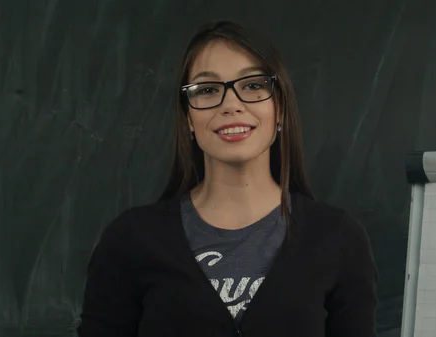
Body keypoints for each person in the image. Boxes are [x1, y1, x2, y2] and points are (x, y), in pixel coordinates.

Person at [78, 20, 378, 337]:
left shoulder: (337, 238)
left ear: (280, 110)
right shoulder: (131, 239)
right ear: (188, 119)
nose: (231, 105)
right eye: (207, 90)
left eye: (252, 85)